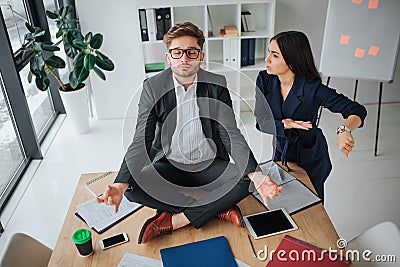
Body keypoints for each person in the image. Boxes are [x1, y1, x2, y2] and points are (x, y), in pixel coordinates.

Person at [97, 22, 283, 244]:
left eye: (191, 52)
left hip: (209, 163)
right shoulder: (153, 87)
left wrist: (257, 175)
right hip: (170, 163)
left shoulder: (216, 83)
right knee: (131, 189)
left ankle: (175, 220)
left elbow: (230, 133)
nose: (184, 58)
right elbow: (142, 140)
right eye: (177, 52)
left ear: (200, 56)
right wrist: (119, 184)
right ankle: (216, 210)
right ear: (169, 57)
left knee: (249, 180)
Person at [254, 31, 367, 202]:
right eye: (269, 52)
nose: (267, 59)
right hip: (280, 151)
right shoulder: (265, 80)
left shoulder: (312, 89)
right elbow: (261, 123)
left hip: (309, 155)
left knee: (312, 204)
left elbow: (356, 109)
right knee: (280, 199)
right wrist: (285, 125)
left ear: (291, 61)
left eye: (274, 55)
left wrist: (344, 129)